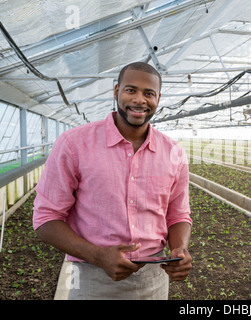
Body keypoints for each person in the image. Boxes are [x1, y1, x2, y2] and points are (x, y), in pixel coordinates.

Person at [32, 62, 192, 300]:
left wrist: (179, 248)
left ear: (158, 98)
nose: (139, 100)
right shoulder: (74, 144)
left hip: (154, 277)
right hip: (92, 276)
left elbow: (178, 215)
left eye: (148, 93)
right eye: (131, 90)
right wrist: (98, 256)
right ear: (117, 91)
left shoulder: (173, 152)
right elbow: (46, 218)